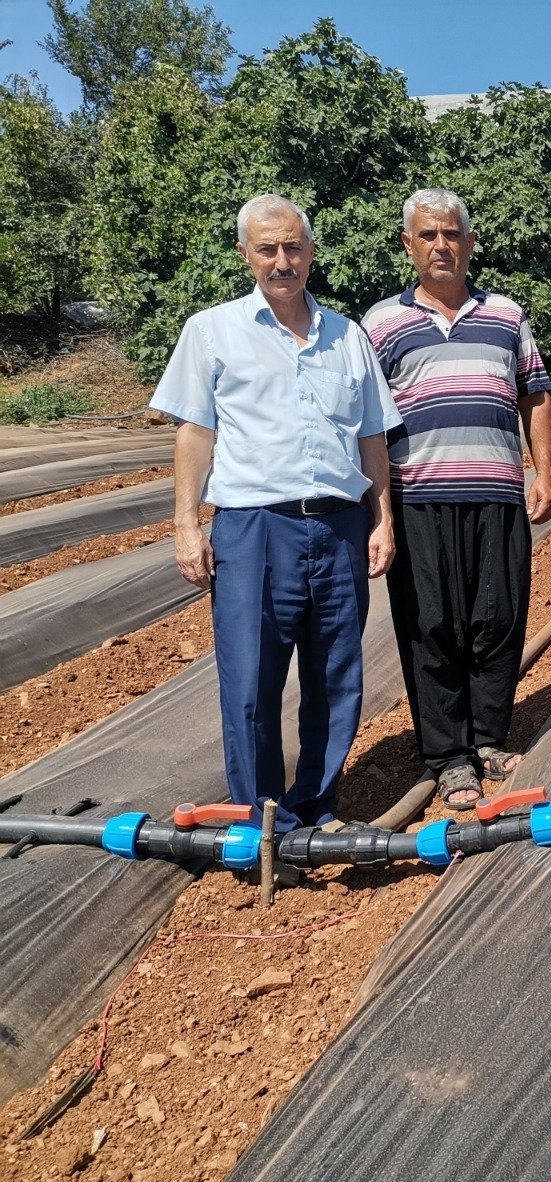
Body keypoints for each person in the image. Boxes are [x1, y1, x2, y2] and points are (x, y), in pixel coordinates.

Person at [151, 193, 401, 832]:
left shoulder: (348, 337)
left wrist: (383, 519)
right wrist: (185, 524)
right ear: (246, 255)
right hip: (255, 529)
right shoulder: (212, 331)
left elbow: (371, 436)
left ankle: (316, 809)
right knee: (251, 685)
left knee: (337, 677)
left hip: (339, 527)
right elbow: (194, 433)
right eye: (268, 249)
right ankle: (264, 823)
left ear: (311, 252)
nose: (282, 260)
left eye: (293, 247)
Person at [362, 188, 551, 809]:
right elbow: (367, 423)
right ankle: (448, 756)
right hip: (419, 500)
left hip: (497, 495)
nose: (441, 245)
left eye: (452, 234)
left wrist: (545, 473)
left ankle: (489, 737)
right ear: (409, 245)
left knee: (497, 618)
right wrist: (380, 514)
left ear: (470, 244)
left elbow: (536, 395)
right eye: (428, 236)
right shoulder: (380, 324)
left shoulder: (506, 315)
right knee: (431, 625)